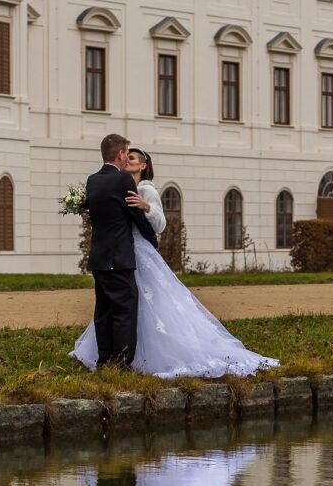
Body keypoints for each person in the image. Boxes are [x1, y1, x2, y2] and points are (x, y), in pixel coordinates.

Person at [73, 145, 277, 379]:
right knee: (122, 305)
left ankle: (133, 356)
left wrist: (146, 207)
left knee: (141, 303)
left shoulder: (145, 188)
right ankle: (119, 355)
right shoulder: (115, 183)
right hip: (122, 250)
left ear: (143, 165)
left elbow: (159, 224)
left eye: (133, 158)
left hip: (137, 250)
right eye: (126, 156)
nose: (127, 160)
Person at [83, 133, 161, 368]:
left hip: (99, 257)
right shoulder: (123, 181)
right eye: (127, 153)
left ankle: (104, 359)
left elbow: (101, 216)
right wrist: (152, 242)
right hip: (119, 258)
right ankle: (121, 362)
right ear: (119, 154)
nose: (128, 157)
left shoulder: (92, 180)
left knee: (103, 311)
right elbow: (135, 217)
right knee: (124, 311)